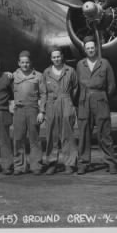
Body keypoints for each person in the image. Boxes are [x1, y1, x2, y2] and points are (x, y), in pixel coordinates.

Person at [76, 36, 117, 174]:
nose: (90, 50)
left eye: (92, 48)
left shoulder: (105, 63)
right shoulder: (80, 65)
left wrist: (102, 97)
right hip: (84, 102)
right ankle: (83, 163)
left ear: (96, 48)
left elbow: (111, 85)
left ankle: (110, 162)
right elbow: (77, 85)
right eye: (87, 48)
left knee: (104, 133)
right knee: (84, 134)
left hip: (100, 100)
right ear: (84, 50)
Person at [42, 47, 79, 175]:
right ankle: (52, 163)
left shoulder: (70, 70)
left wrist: (67, 100)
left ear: (62, 56)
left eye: (58, 56)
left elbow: (75, 88)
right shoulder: (46, 72)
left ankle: (69, 163)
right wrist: (43, 109)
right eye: (54, 57)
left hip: (66, 101)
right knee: (51, 134)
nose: (56, 59)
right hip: (51, 104)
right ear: (51, 59)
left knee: (67, 134)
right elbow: (43, 92)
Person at [12, 50, 46, 175]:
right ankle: (19, 166)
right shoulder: (13, 76)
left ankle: (36, 165)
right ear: (18, 63)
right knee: (18, 139)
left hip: (33, 109)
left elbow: (43, 94)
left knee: (34, 139)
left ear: (30, 62)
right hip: (19, 110)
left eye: (27, 62)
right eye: (22, 62)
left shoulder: (38, 76)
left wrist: (42, 111)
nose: (25, 65)